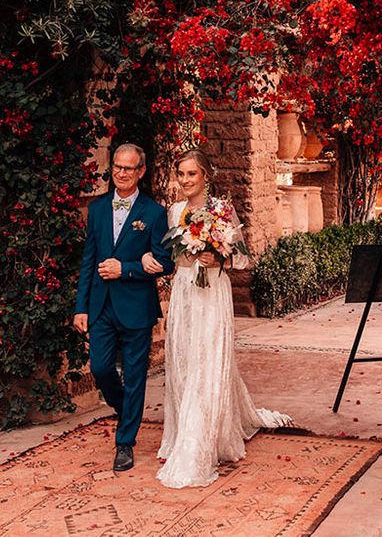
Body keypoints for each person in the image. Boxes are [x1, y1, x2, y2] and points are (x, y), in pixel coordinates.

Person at [142, 149, 291, 489]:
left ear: (205, 176)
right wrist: (151, 256)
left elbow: (241, 259)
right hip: (185, 292)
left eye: (191, 174)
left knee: (207, 363)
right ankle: (182, 433)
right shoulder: (175, 212)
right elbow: (170, 257)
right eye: (180, 174)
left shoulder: (222, 211)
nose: (184, 180)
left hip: (212, 295)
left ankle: (200, 443)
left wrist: (218, 258)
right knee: (183, 363)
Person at [74, 143, 174, 472]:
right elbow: (89, 261)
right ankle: (127, 411)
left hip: (135, 307)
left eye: (128, 168)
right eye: (117, 166)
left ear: (141, 172)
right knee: (101, 369)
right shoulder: (99, 209)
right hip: (101, 305)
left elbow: (164, 261)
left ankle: (125, 442)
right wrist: (81, 308)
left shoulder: (154, 213)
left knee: (134, 377)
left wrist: (126, 268)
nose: (121, 173)